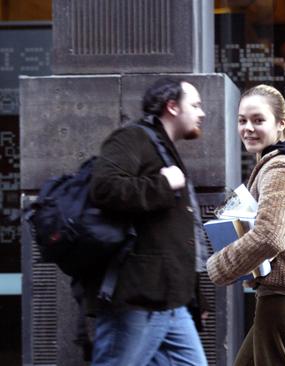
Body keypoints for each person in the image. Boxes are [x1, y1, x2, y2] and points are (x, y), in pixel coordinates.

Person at [88, 77, 209, 366]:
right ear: (172, 107)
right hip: (138, 299)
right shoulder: (132, 138)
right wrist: (163, 184)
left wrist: (195, 296)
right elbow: (104, 189)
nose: (201, 113)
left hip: (171, 301)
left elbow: (176, 234)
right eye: (195, 105)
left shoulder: (164, 148)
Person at [206, 84, 285, 366]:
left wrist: (218, 267)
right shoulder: (280, 162)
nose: (248, 128)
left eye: (258, 120)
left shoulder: (281, 167)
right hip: (283, 297)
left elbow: (269, 237)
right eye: (242, 120)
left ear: (280, 123)